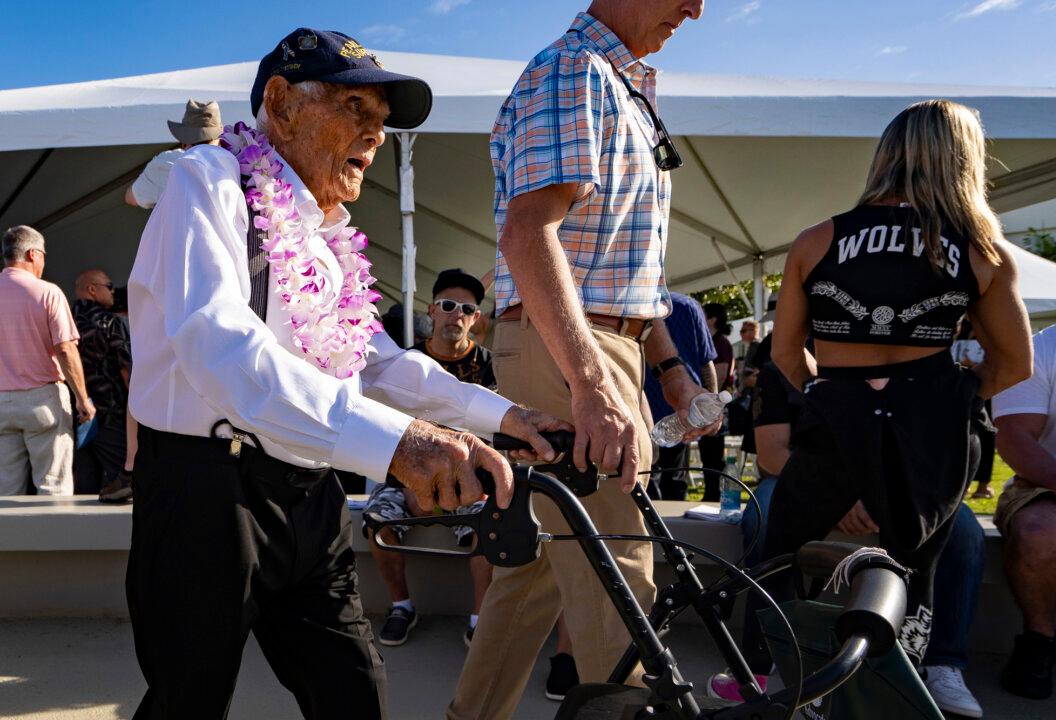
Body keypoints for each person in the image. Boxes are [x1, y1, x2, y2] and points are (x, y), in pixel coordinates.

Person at [124, 29, 566, 719]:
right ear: (281, 103)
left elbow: (380, 363)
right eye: (356, 108)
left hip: (309, 493)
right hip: (206, 495)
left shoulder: (325, 236)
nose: (376, 136)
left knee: (355, 694)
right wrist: (398, 446)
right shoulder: (206, 182)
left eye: (381, 123)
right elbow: (219, 342)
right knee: (189, 699)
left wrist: (502, 416)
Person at [449, 3, 712, 718]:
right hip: (573, 350)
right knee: (617, 571)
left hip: (584, 344)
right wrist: (594, 381)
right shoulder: (575, 71)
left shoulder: (612, 81)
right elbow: (530, 235)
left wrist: (669, 368)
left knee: (534, 571)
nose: (697, 8)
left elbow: (619, 266)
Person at [767, 99, 1031, 670]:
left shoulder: (816, 241)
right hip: (930, 430)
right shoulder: (982, 253)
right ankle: (907, 678)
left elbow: (786, 355)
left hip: (834, 422)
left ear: (887, 153)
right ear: (965, 160)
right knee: (914, 569)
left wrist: (834, 398)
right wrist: (955, 395)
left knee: (780, 556)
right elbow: (1015, 364)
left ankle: (768, 674)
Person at [710, 359, 988, 717]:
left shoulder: (917, 359)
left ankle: (942, 662)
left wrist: (874, 496)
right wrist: (834, 493)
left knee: (965, 531)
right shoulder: (783, 368)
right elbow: (772, 453)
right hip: (799, 477)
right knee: (762, 516)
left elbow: (925, 454)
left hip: (900, 487)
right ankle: (766, 655)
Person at [363, 268, 496, 648]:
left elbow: (493, 437)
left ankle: (479, 617)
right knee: (377, 521)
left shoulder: (489, 366)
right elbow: (389, 427)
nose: (456, 315)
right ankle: (401, 606)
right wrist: (410, 485)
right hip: (406, 479)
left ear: (475, 319)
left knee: (490, 526)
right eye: (448, 305)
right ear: (432, 311)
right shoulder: (406, 363)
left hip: (470, 485)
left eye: (466, 309)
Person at [991, 247, 1056, 700]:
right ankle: (1039, 640)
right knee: (1039, 530)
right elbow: (1014, 437)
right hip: (1047, 483)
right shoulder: (1041, 348)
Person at [0, 226, 94, 495]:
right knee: (53, 488)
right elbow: (65, 349)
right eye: (43, 255)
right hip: (42, 400)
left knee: (4, 492)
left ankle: (8, 538)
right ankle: (53, 538)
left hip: (1, 402)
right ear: (32, 254)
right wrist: (82, 398)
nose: (43, 262)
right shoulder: (48, 292)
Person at [644, 292, 717, 500]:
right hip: (683, 407)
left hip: (647, 403)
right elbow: (706, 361)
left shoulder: (634, 300)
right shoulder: (689, 306)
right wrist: (712, 404)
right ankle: (671, 529)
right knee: (674, 477)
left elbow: (706, 359)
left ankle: (651, 527)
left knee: (645, 477)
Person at [72, 269, 134, 501]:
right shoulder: (110, 322)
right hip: (111, 412)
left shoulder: (63, 319)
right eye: (108, 286)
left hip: (75, 415)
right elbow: (126, 370)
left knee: (83, 479)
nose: (112, 291)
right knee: (119, 479)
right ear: (92, 289)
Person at [125, 99, 223, 209]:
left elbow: (131, 197)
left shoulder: (169, 162)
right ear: (218, 137)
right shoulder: (235, 162)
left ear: (184, 138)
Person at [952, 319, 996, 499]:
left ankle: (983, 486)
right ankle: (963, 483)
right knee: (960, 437)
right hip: (960, 391)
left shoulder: (991, 330)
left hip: (985, 392)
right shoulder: (959, 328)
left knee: (986, 437)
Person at [699, 302, 734, 502]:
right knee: (707, 452)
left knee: (712, 454)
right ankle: (710, 492)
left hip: (714, 406)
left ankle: (714, 493)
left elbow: (719, 377)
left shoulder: (720, 343)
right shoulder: (713, 341)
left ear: (712, 319)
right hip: (707, 406)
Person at [732, 320, 759, 391]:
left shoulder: (755, 346)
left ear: (753, 331)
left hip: (752, 387)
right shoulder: (751, 346)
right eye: (741, 331)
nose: (741, 334)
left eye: (743, 331)